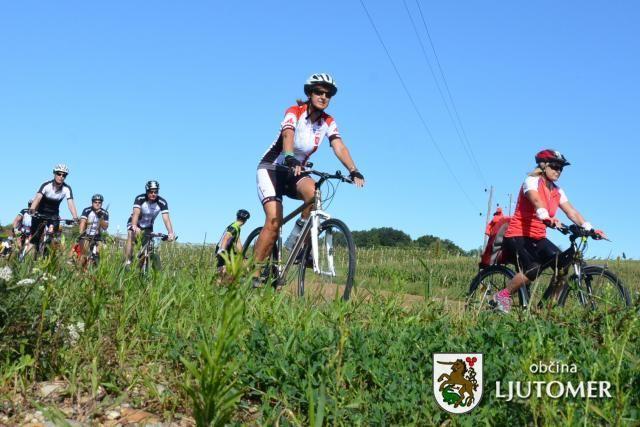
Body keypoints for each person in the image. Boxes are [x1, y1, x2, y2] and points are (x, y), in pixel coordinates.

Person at [252, 73, 365, 285]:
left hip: (296, 170)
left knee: (315, 194)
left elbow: (339, 146)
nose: (323, 97)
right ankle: (254, 273)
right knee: (274, 222)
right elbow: (288, 134)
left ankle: (297, 243)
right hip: (272, 168)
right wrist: (289, 156)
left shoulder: (327, 121)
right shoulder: (294, 111)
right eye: (319, 92)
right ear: (309, 93)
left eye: (328, 94)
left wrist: (353, 170)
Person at [492, 149, 605, 313]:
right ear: (543, 166)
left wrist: (590, 228)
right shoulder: (531, 181)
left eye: (561, 168)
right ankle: (501, 296)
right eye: (555, 166)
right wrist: (545, 216)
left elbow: (571, 212)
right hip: (518, 235)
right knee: (533, 269)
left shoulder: (557, 191)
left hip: (538, 238)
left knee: (563, 268)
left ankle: (545, 310)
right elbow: (536, 200)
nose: (558, 171)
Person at [27, 164, 79, 251]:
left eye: (64, 175)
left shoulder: (67, 188)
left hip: (53, 215)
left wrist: (75, 217)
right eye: (59, 174)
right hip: (40, 213)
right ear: (54, 174)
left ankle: (47, 254)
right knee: (34, 239)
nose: (61, 176)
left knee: (53, 237)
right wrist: (32, 209)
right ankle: (28, 258)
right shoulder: (46, 185)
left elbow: (71, 203)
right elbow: (37, 198)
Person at [123, 180, 175, 266]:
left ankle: (142, 266)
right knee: (131, 234)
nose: (153, 194)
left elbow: (166, 218)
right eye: (151, 192)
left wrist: (170, 233)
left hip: (148, 226)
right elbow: (136, 213)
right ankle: (127, 261)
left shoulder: (162, 202)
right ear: (147, 191)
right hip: (135, 223)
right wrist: (134, 226)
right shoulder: (140, 198)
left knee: (148, 249)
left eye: (156, 192)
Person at [214, 209, 250, 278]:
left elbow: (238, 243)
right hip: (223, 251)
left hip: (227, 251)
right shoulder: (234, 227)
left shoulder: (236, 227)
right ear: (245, 221)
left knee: (228, 273)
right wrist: (222, 251)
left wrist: (242, 255)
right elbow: (225, 238)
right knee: (222, 273)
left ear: (237, 217)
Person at [76, 194, 109, 265]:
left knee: (98, 255)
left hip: (97, 236)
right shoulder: (87, 210)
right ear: (92, 203)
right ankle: (79, 269)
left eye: (99, 202)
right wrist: (80, 233)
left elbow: (105, 227)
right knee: (84, 254)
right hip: (86, 235)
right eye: (95, 202)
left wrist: (100, 217)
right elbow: (82, 222)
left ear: (102, 204)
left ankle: (94, 267)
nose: (97, 204)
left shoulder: (105, 213)